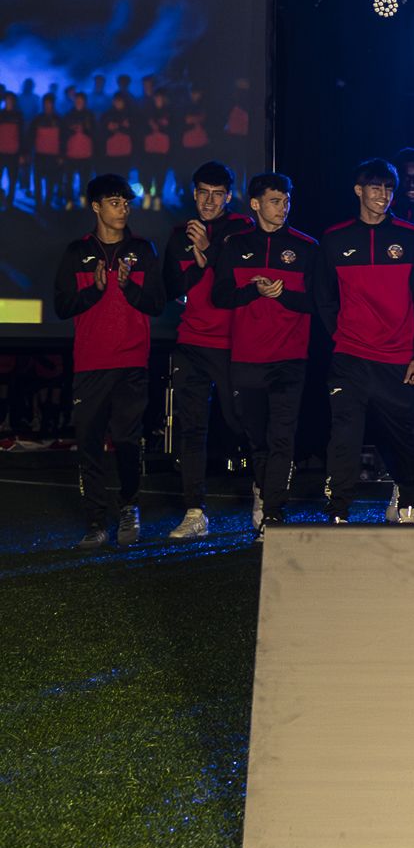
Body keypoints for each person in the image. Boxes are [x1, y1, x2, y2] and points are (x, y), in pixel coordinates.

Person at [314, 157, 414, 524]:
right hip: (350, 357)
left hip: (399, 359)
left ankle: (408, 502)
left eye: (387, 188)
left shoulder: (411, 237)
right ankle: (338, 512)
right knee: (345, 437)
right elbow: (323, 296)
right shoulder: (335, 239)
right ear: (359, 191)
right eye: (374, 188)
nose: (382, 195)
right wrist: (342, 333)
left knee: (404, 436)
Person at [56, 175, 165, 547]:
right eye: (114, 202)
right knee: (88, 443)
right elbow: (62, 306)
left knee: (127, 439)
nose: (123, 208)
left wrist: (128, 286)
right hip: (90, 363)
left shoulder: (143, 249)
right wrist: (96, 290)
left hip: (132, 362)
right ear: (96, 207)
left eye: (126, 202)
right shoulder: (76, 251)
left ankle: (129, 507)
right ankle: (95, 522)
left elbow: (155, 303)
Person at [213, 173, 317, 533]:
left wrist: (283, 295)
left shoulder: (306, 247)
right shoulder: (235, 245)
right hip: (247, 357)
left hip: (289, 358)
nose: (283, 207)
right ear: (255, 204)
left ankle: (273, 512)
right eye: (275, 201)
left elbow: (320, 303)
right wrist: (253, 291)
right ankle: (263, 489)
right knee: (255, 436)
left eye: (287, 200)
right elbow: (220, 296)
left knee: (282, 436)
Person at [160, 161, 255, 538]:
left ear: (229, 196)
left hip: (234, 343)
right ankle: (194, 511)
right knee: (192, 428)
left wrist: (208, 249)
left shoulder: (243, 229)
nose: (210, 201)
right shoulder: (178, 233)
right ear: (194, 193)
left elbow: (237, 278)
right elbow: (172, 287)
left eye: (218, 194)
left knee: (241, 422)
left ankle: (264, 496)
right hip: (192, 342)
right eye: (203, 193)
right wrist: (197, 264)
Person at [140, 89, 174, 211]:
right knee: (146, 173)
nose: (158, 100)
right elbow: (141, 129)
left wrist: (163, 126)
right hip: (149, 149)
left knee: (160, 174)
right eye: (156, 98)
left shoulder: (169, 112)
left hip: (163, 150)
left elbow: (173, 130)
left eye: (160, 98)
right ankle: (147, 195)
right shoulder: (147, 112)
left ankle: (158, 198)